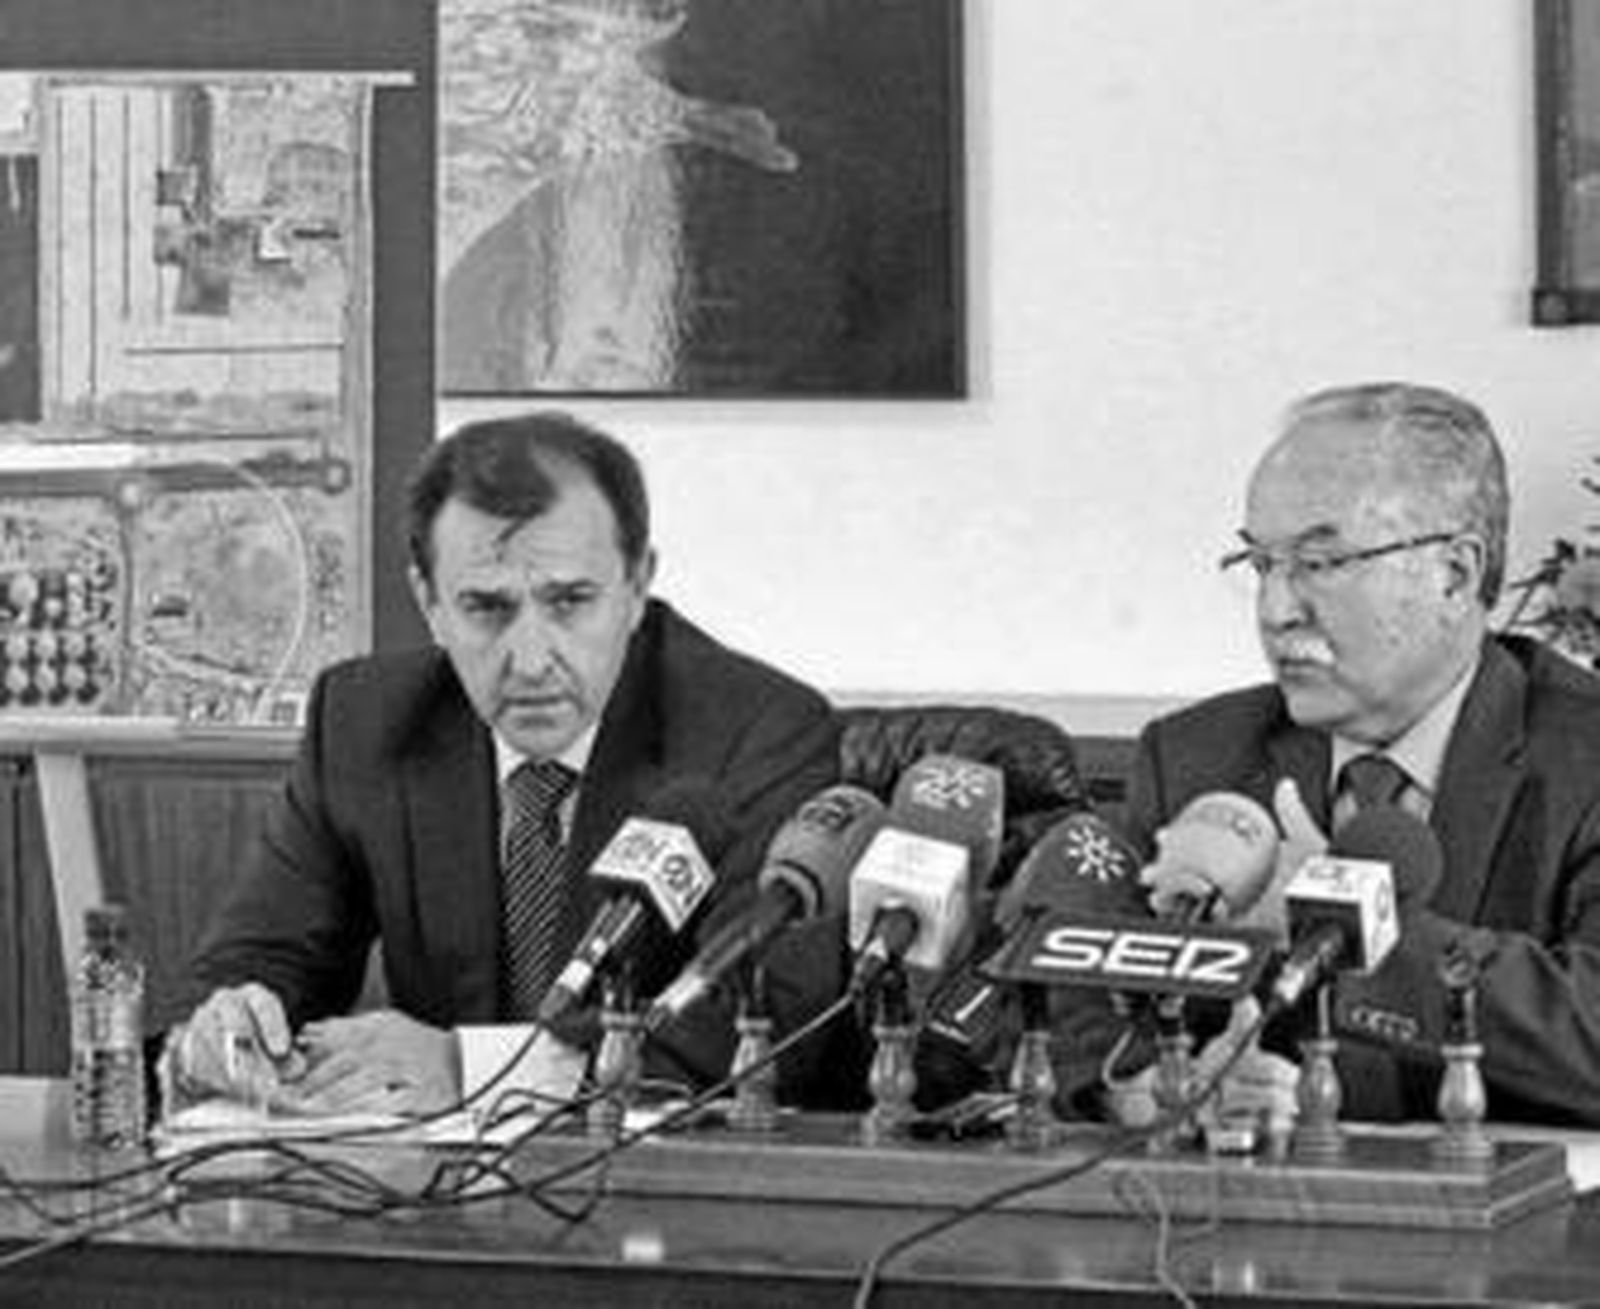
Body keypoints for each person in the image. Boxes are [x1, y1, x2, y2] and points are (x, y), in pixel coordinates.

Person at [172, 411, 843, 1116]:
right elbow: (256, 962)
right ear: (430, 603)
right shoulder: (365, 722)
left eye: (570, 601)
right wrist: (231, 1029)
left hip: (672, 1197)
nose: (530, 659)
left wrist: (473, 1069)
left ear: (637, 584)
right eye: (487, 607)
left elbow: (763, 1031)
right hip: (435, 1202)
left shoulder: (756, 731)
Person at [1127, 381, 1600, 1126]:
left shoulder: (1585, 756)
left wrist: (1346, 927)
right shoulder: (1195, 758)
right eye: (1261, 565)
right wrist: (1150, 1092)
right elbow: (1083, 1029)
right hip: (1249, 1228)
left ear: (1456, 572)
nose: (1276, 610)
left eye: (1319, 563)